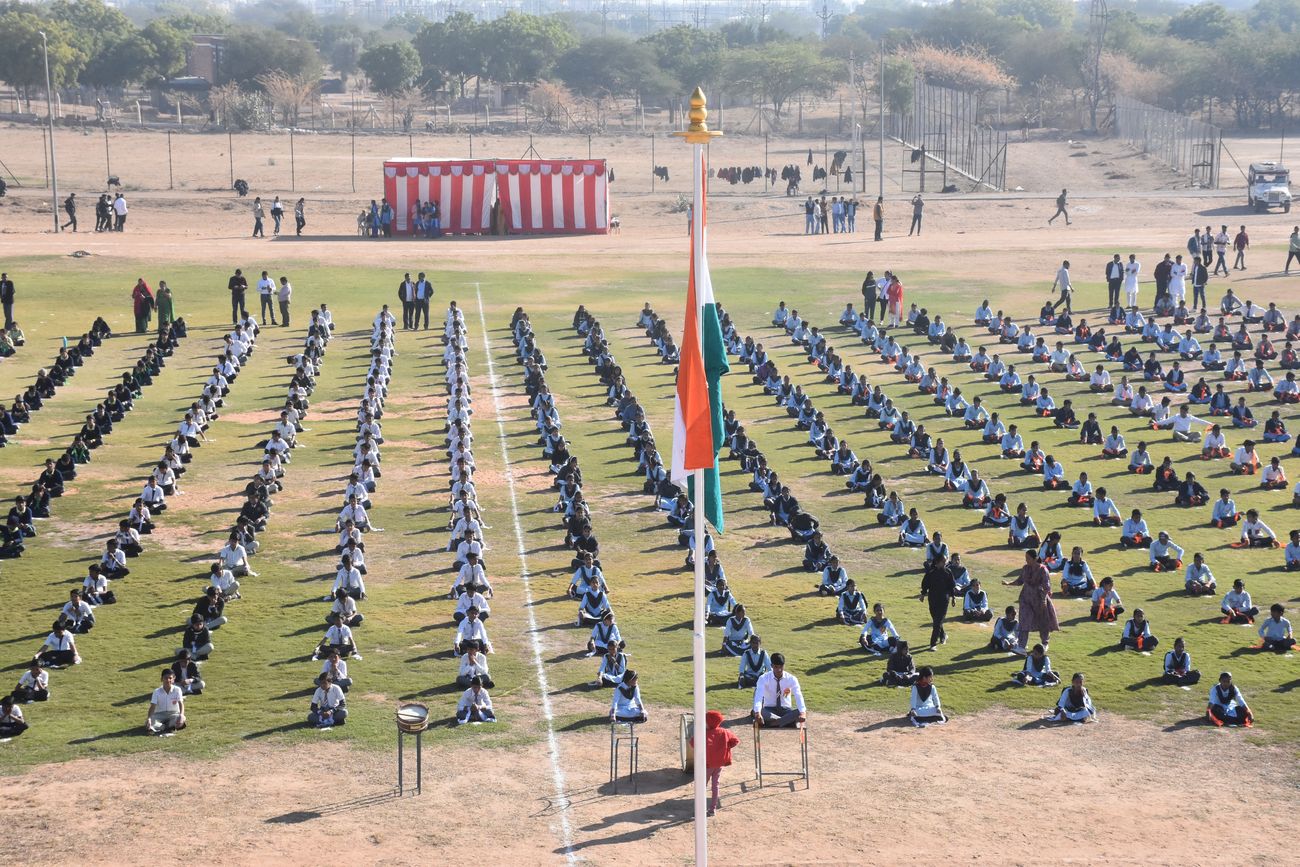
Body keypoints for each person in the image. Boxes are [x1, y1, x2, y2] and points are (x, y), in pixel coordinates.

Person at [1003, 550, 1058, 653]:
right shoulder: (1025, 568)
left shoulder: (1043, 570)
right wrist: (1009, 583)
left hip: (1039, 599)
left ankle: (1045, 643)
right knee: (1024, 620)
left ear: (1034, 558)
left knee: (1043, 622)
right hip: (1025, 599)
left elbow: (1047, 587)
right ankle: (1021, 646)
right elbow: (1020, 581)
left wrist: (1043, 600)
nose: (1026, 560)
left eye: (1028, 558)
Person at [751, 652, 805, 728]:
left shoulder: (791, 679)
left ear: (784, 665)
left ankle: (773, 723)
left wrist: (802, 713)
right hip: (769, 710)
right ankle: (787, 722)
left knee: (800, 711)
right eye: (776, 667)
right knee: (756, 710)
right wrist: (757, 713)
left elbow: (798, 696)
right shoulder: (763, 678)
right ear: (771, 666)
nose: (779, 669)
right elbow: (758, 697)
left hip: (786, 711)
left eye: (781, 666)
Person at [703, 709, 738, 817]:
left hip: (707, 764)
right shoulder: (724, 731)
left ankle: (700, 806)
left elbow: (693, 743)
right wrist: (726, 748)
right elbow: (735, 740)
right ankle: (712, 809)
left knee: (702, 785)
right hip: (719, 764)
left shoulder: (704, 734)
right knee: (715, 785)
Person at [145, 668, 186, 734]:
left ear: (173, 679)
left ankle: (161, 727)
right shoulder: (156, 691)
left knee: (182, 719)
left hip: (173, 713)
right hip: (159, 714)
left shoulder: (177, 689)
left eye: (170, 678)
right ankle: (166, 727)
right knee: (148, 722)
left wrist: (181, 715)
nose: (168, 680)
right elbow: (152, 706)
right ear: (161, 679)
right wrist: (149, 718)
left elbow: (181, 703)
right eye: (165, 678)